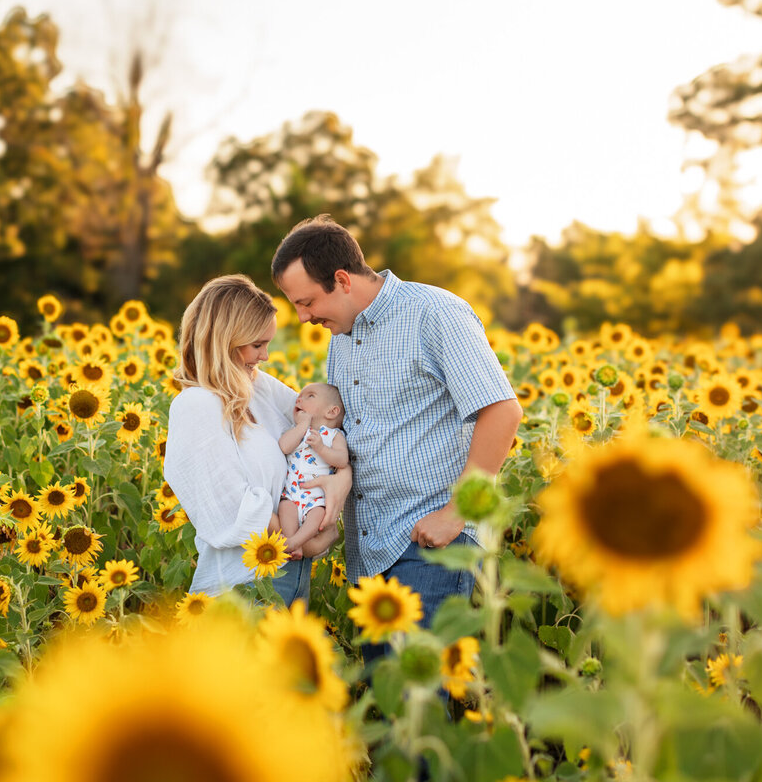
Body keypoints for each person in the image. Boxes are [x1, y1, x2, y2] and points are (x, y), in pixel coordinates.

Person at [272, 215, 522, 660]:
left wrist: (455, 513)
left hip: (431, 540)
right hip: (370, 548)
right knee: (388, 701)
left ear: (343, 280)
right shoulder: (342, 338)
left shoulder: (433, 313)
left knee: (417, 707)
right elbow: (357, 438)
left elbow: (501, 411)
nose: (304, 317)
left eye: (307, 302)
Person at [163, 275, 350, 606]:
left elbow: (326, 425)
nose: (264, 356)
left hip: (288, 570)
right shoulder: (196, 406)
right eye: (257, 345)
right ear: (225, 341)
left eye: (268, 344)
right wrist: (310, 542)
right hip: (243, 584)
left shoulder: (257, 387)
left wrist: (342, 479)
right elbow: (229, 507)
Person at [270, 382, 348, 561]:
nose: (299, 399)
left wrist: (321, 448)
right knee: (285, 507)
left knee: (318, 515)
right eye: (300, 395)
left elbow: (342, 460)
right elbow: (283, 446)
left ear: (331, 412)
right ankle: (293, 544)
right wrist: (301, 426)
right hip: (292, 493)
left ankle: (296, 541)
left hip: (316, 498)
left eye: (310, 396)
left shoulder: (333, 435)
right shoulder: (297, 431)